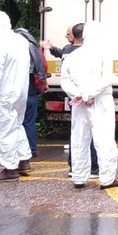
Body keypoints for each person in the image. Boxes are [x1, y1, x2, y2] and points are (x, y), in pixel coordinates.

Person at [60, 21, 118, 190]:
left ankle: (79, 178)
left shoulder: (72, 56)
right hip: (100, 101)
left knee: (79, 139)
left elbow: (65, 81)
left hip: (79, 103)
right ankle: (107, 178)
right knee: (104, 140)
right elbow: (107, 79)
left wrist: (79, 94)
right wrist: (89, 94)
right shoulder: (104, 54)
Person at [0, 11, 33, 181]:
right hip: (20, 92)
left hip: (2, 94)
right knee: (17, 125)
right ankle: (24, 160)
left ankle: (10, 168)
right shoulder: (21, 42)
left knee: (2, 130)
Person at [43, 23, 100, 176]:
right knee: (93, 132)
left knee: (76, 133)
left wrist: (50, 47)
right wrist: (89, 94)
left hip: (74, 97)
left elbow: (61, 57)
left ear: (74, 36)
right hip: (90, 97)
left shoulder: (68, 52)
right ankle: (93, 166)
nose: (66, 36)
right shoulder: (91, 53)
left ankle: (73, 167)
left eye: (68, 33)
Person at [15, 28, 48, 159]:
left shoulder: (10, 47)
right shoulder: (32, 47)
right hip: (30, 90)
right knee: (29, 121)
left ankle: (16, 150)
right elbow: (39, 67)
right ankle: (32, 149)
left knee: (15, 122)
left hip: (14, 92)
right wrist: (44, 82)